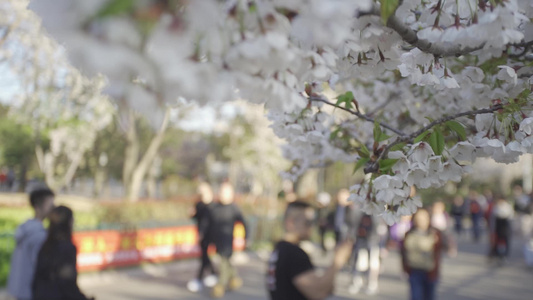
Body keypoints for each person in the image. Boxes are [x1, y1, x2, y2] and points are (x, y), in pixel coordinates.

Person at [266, 201, 353, 300]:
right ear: (291, 223)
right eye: (308, 222)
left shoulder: (281, 248)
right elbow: (319, 293)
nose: (312, 227)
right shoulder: (293, 253)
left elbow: (326, 289)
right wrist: (338, 260)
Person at [32, 205, 94, 300]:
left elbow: (36, 279)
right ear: (69, 223)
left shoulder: (45, 245)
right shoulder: (67, 248)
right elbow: (67, 284)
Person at [7, 188, 55, 300]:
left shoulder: (25, 228)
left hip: (19, 290)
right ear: (38, 208)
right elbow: (42, 268)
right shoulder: (39, 235)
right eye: (50, 205)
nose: (53, 210)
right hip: (32, 292)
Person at [209, 182, 247, 298]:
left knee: (223, 263)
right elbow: (209, 223)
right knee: (226, 262)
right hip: (217, 241)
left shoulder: (234, 209)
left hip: (227, 241)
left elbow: (244, 224)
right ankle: (234, 278)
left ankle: (220, 285)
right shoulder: (214, 207)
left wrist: (246, 238)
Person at [402, 208, 449, 300]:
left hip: (430, 271)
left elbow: (445, 247)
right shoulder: (409, 233)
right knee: (416, 296)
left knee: (429, 296)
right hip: (414, 270)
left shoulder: (435, 233)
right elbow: (403, 251)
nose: (421, 220)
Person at [187, 182, 218, 292]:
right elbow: (196, 217)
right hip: (202, 234)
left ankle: (202, 278)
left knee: (205, 257)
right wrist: (192, 214)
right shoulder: (198, 204)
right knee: (204, 256)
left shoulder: (214, 205)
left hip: (212, 233)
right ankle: (213, 274)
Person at [347, 211, 383, 295]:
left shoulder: (377, 211)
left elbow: (378, 225)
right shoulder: (359, 210)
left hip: (373, 240)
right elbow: (353, 222)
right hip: (360, 239)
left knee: (373, 263)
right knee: (357, 262)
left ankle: (372, 283)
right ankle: (356, 281)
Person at [489, 196, 514, 262]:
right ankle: (497, 254)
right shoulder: (496, 207)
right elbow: (493, 218)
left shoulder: (507, 206)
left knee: (506, 240)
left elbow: (510, 216)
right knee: (497, 241)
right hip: (498, 226)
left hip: (505, 226)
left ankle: (505, 254)